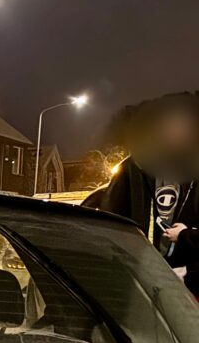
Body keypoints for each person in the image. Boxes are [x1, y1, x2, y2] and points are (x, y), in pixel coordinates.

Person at [84, 93, 199, 294]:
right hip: (141, 284)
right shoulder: (133, 170)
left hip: (189, 286)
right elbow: (110, 221)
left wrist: (186, 237)